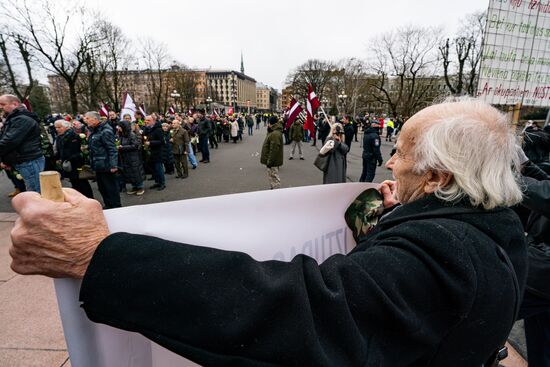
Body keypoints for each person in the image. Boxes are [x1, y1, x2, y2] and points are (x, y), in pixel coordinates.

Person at [10, 98, 528, 367]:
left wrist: (98, 256)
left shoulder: (443, 252)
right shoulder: (490, 224)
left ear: (438, 178)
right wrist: (389, 220)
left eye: (403, 154)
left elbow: (299, 309)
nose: (391, 161)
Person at [0, 94, 45, 192]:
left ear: (15, 104)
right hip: (26, 160)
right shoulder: (16, 118)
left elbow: (9, 141)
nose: (0, 107)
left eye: (3, 104)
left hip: (28, 161)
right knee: (33, 190)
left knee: (35, 192)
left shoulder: (21, 119)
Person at [85, 111, 121, 208]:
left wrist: (113, 165)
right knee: (102, 188)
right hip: (99, 165)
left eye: (87, 118)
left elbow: (112, 149)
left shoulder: (105, 131)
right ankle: (108, 205)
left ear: (95, 119)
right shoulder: (94, 130)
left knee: (111, 189)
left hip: (106, 165)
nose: (85, 120)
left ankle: (116, 208)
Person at [53, 119, 94, 199]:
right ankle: (80, 200)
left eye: (59, 127)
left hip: (77, 164)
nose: (57, 129)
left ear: (66, 127)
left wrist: (71, 158)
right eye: (56, 127)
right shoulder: (59, 137)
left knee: (82, 183)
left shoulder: (74, 136)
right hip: (68, 165)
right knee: (74, 184)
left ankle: (89, 199)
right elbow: (59, 151)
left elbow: (82, 151)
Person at [118, 119, 145, 196]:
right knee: (130, 172)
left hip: (133, 157)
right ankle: (134, 187)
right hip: (126, 157)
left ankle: (140, 187)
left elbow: (135, 146)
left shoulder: (131, 135)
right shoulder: (122, 135)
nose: (118, 128)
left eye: (119, 126)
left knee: (136, 172)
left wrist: (122, 147)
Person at [143, 115, 166, 191]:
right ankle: (157, 182)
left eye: (148, 120)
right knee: (154, 169)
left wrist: (151, 143)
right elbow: (144, 136)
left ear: (153, 120)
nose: (146, 122)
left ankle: (162, 183)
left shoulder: (158, 129)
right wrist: (145, 128)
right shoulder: (148, 128)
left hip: (157, 152)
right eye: (146, 120)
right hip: (151, 152)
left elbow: (162, 141)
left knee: (159, 168)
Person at [260, 116, 283, 189]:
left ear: (271, 123)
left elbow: (274, 150)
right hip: (272, 160)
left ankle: (276, 193)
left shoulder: (275, 134)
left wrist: (269, 162)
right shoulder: (274, 132)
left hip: (273, 161)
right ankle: (274, 189)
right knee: (272, 178)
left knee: (274, 178)